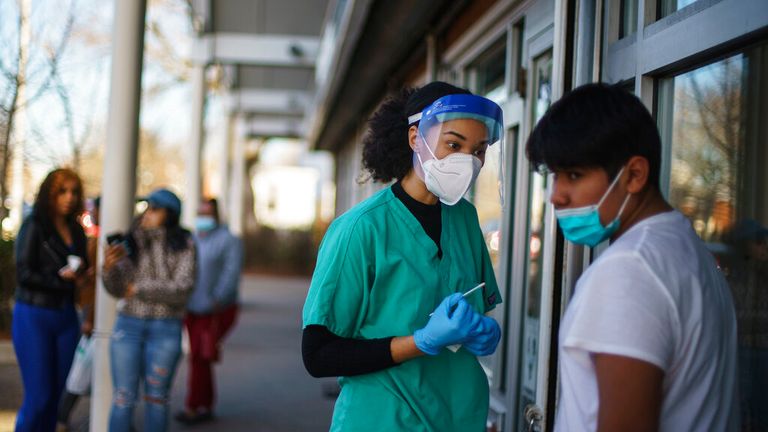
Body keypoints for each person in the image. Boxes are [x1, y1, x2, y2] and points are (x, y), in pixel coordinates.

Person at [526, 83, 739, 431]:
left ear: (635, 175)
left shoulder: (629, 272)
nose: (556, 196)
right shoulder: (688, 250)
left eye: (574, 175)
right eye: (555, 176)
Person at [301, 81, 504, 431]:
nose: (467, 162)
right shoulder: (360, 229)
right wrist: (420, 342)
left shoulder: (466, 219)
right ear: (415, 138)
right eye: (453, 144)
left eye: (478, 150)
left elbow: (477, 308)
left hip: (458, 417)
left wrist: (483, 331)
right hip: (383, 419)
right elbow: (318, 355)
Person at [102, 188, 196, 432]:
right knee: (123, 397)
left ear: (171, 213)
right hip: (128, 325)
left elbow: (182, 289)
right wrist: (108, 269)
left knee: (157, 398)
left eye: (155, 209)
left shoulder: (185, 243)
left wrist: (139, 288)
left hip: (166, 328)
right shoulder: (131, 240)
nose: (147, 213)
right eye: (146, 207)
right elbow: (117, 289)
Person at [13, 168, 89, 431]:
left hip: (67, 316)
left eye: (74, 192)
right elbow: (23, 273)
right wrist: (60, 280)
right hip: (34, 313)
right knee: (39, 398)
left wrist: (81, 275)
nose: (69, 197)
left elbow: (83, 266)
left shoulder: (77, 230)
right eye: (62, 191)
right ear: (50, 194)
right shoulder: (34, 225)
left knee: (56, 399)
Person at [175, 198, 243, 424]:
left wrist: (218, 299)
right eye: (199, 212)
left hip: (215, 310)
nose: (203, 217)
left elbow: (231, 274)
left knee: (200, 358)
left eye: (207, 212)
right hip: (191, 308)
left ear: (216, 214)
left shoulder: (229, 240)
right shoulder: (192, 239)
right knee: (199, 357)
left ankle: (194, 406)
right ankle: (205, 404)